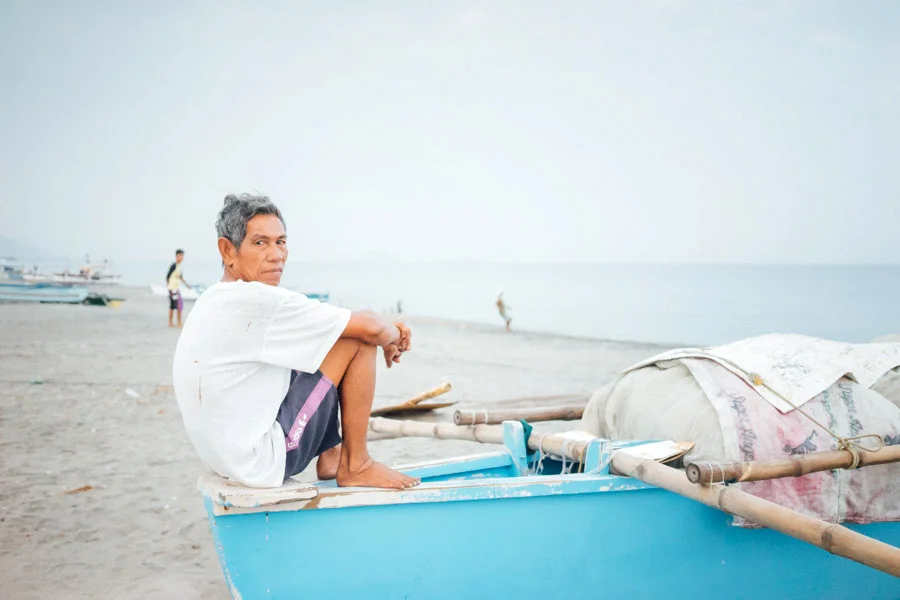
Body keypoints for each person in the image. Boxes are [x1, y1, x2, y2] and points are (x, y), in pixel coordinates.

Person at [172, 194, 419, 490]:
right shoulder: (256, 300)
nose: (276, 255)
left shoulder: (215, 298)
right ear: (227, 250)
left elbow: (342, 327)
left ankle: (332, 453)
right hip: (261, 462)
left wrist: (383, 331)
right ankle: (357, 465)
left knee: (323, 337)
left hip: (225, 458)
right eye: (260, 243)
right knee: (358, 341)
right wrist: (395, 336)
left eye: (280, 242)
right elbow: (372, 328)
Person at [166, 249, 192, 327]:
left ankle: (176, 322)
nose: (182, 257)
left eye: (183, 256)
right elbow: (167, 276)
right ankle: (175, 323)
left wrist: (187, 285)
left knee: (178, 305)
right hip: (172, 289)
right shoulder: (173, 266)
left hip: (176, 289)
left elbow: (181, 277)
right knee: (175, 305)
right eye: (181, 255)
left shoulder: (179, 267)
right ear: (177, 256)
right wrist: (170, 287)